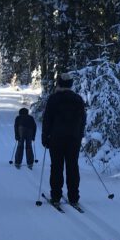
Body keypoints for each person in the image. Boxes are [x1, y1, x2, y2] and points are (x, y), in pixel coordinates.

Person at [41, 73, 86, 205]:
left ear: (59, 83)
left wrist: (45, 136)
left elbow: (47, 119)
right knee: (72, 167)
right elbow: (82, 120)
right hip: (73, 138)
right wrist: (79, 135)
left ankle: (56, 196)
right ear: (71, 84)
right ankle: (74, 197)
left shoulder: (53, 99)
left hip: (56, 138)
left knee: (56, 166)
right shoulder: (78, 99)